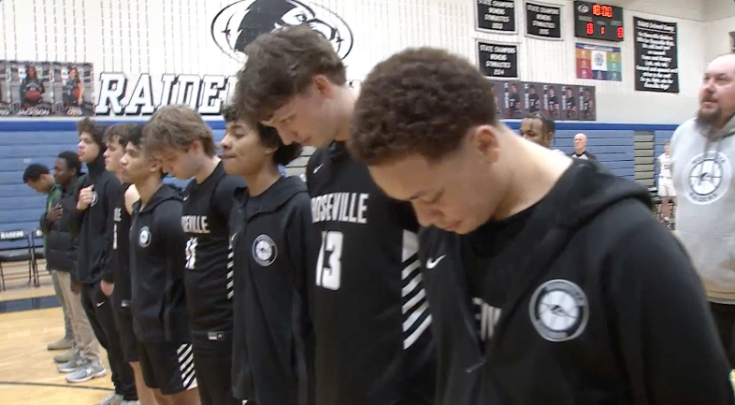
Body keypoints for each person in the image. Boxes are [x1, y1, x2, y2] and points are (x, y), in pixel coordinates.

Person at [346, 46, 735, 405]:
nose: (423, 219)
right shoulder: (445, 229)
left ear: (485, 145)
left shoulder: (631, 247)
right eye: (409, 202)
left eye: (430, 196)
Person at [233, 26, 435, 405]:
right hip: (338, 380)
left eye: (288, 119)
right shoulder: (319, 165)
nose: (287, 138)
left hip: (403, 385)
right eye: (275, 128)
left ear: (321, 85)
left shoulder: (402, 149)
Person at [142, 105, 244, 405]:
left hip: (226, 326)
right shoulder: (191, 191)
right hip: (198, 323)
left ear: (195, 145)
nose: (165, 167)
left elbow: (243, 260)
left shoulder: (229, 186)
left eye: (170, 158)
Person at [220, 105, 316, 405]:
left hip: (292, 383)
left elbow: (314, 308)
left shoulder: (298, 208)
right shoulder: (240, 207)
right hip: (252, 373)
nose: (224, 142)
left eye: (237, 134)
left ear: (271, 144)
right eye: (227, 133)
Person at [122, 123, 200, 405]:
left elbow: (191, 275)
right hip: (147, 329)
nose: (123, 160)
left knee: (184, 400)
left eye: (132, 154)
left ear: (155, 163)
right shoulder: (139, 209)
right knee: (159, 396)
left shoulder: (170, 213)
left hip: (173, 332)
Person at [671, 53, 735, 368]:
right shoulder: (683, 135)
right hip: (694, 294)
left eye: (722, 80)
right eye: (706, 78)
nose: (709, 87)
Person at [69, 118, 138, 404]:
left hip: (103, 276)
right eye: (80, 140)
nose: (80, 146)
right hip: (88, 273)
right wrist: (79, 207)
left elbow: (115, 236)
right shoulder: (85, 183)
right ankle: (120, 389)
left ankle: (130, 392)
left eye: (87, 141)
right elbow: (72, 229)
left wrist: (107, 275)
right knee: (107, 341)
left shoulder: (112, 183)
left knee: (119, 341)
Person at [103, 123, 159, 405]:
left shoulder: (132, 194)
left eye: (116, 149)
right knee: (135, 362)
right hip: (125, 288)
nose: (111, 155)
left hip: (136, 292)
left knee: (143, 364)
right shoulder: (121, 190)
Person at [40, 151, 103, 381]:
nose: (55, 173)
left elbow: (79, 236)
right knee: (72, 315)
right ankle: (79, 352)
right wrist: (46, 219)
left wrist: (78, 271)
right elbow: (50, 227)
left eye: (59, 169)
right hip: (59, 263)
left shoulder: (81, 193)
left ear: (73, 171)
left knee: (81, 317)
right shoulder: (61, 194)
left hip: (72, 266)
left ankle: (93, 361)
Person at [22, 163, 74, 357]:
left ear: (43, 177)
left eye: (35, 186)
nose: (36, 191)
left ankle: (76, 342)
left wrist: (47, 221)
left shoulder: (59, 192)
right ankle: (71, 337)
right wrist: (46, 219)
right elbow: (47, 224)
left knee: (72, 304)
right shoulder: (52, 194)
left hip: (63, 256)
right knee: (65, 302)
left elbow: (58, 225)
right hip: (54, 254)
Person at [657, 140, 675, 226]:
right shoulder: (660, 158)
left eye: (668, 146)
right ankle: (666, 219)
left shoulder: (674, 158)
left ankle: (676, 219)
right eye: (665, 146)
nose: (667, 147)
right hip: (663, 179)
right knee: (664, 200)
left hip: (671, 180)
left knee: (676, 200)